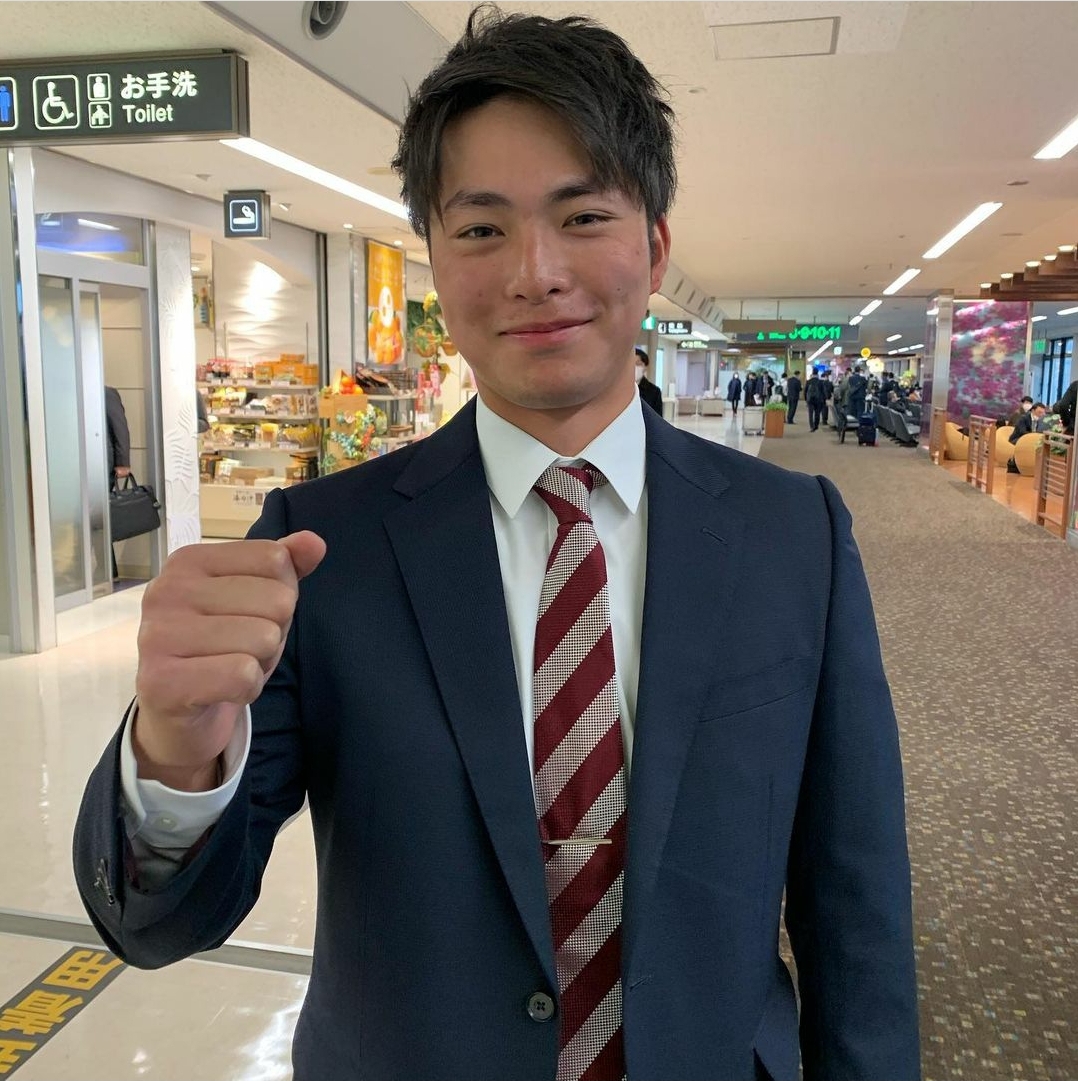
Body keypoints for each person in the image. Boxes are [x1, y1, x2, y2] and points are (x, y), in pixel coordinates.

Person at [73, 9, 920, 1081]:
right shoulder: (322, 546)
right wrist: (172, 749)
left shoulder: (794, 532)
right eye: (480, 230)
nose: (535, 272)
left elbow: (854, 897)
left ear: (655, 246)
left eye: (583, 216)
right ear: (433, 258)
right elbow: (161, 924)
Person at [633, 346, 663, 414]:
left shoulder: (654, 391)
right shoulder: (618, 388)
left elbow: (657, 416)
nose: (634, 367)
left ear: (645, 367)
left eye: (638, 363)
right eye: (631, 363)